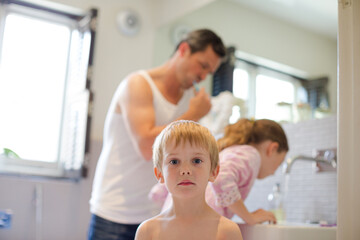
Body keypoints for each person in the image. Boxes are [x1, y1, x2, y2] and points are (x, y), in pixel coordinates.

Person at [88, 29, 226, 240]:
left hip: (156, 211)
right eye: (203, 65)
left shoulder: (190, 98)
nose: (203, 76)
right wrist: (194, 114)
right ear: (184, 49)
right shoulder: (138, 84)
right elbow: (146, 147)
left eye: (209, 72)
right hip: (116, 212)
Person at [150, 118, 289, 225]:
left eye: (196, 162)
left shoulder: (228, 151)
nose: (273, 173)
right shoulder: (251, 154)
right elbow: (222, 177)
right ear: (272, 149)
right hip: (204, 224)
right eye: (279, 163)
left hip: (172, 220)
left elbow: (158, 192)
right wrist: (249, 217)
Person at [135, 120, 243, 240]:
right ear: (159, 174)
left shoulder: (227, 231)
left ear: (213, 171)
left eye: (196, 161)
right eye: (174, 162)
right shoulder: (147, 232)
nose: (185, 170)